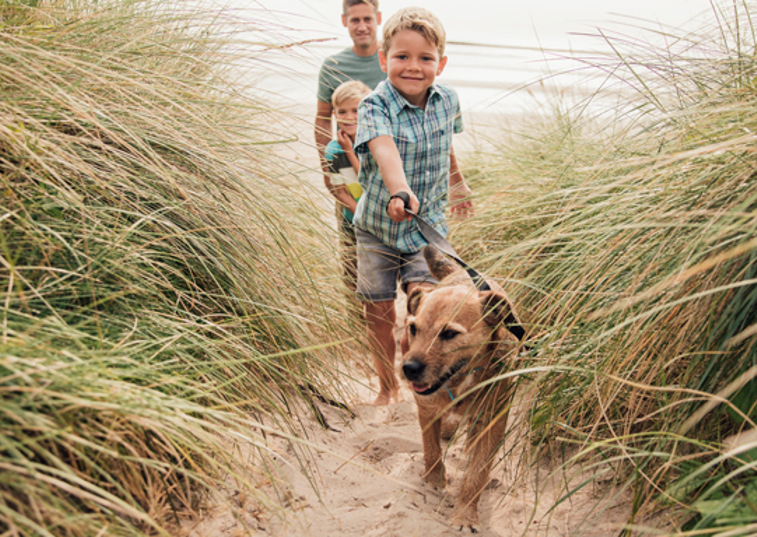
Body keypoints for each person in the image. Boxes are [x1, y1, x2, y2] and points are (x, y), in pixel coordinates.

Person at [352, 6, 473, 405]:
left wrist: (457, 182)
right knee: (380, 310)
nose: (413, 67)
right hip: (378, 227)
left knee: (427, 304)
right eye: (402, 57)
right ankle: (387, 387)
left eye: (425, 58)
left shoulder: (448, 100)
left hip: (427, 226)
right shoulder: (374, 105)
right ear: (384, 59)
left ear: (441, 63)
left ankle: (427, 372)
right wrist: (399, 191)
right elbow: (385, 151)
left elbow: (445, 146)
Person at [323, 80, 372, 291]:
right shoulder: (334, 150)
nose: (349, 117)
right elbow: (340, 192)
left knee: (377, 273)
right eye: (342, 111)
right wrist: (358, 213)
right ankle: (355, 320)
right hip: (352, 219)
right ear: (334, 114)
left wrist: (350, 151)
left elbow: (368, 180)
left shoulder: (375, 142)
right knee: (352, 272)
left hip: (379, 218)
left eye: (356, 110)